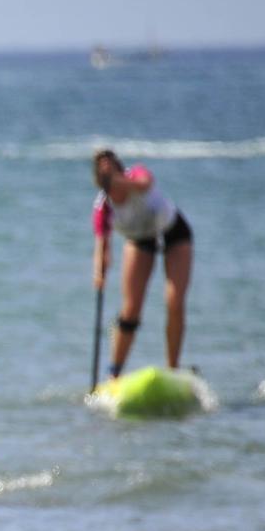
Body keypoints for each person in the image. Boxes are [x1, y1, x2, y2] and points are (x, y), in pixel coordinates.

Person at [91, 149, 193, 376]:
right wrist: (99, 273)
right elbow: (102, 247)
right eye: (105, 175)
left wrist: (119, 181)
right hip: (140, 240)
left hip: (173, 232)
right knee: (130, 310)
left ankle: (173, 368)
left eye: (112, 169)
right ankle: (114, 374)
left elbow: (145, 183)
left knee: (174, 301)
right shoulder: (103, 207)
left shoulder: (136, 174)